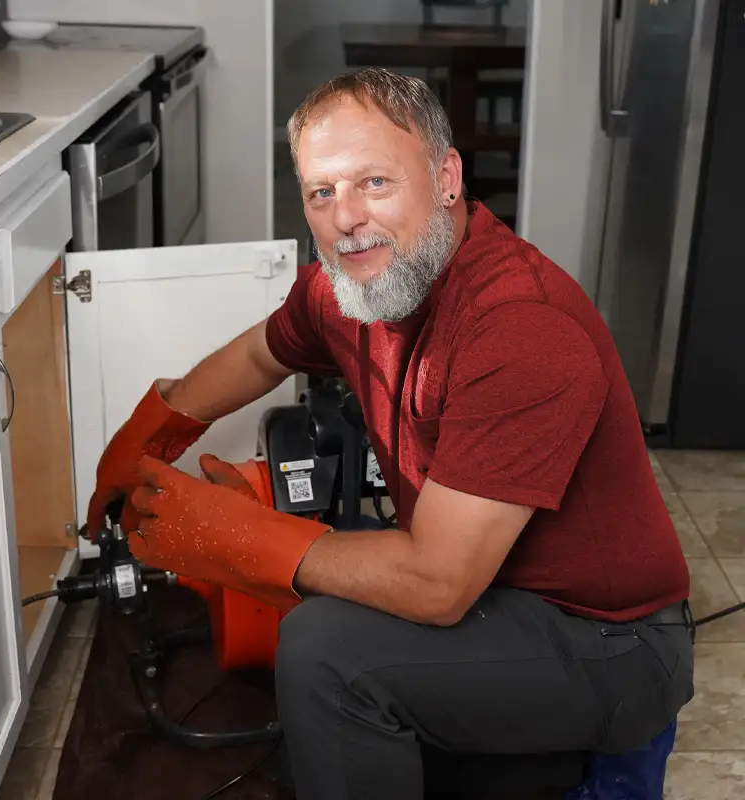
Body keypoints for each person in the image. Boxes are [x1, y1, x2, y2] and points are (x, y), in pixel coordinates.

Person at [85, 68, 695, 799]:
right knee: (337, 599)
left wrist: (241, 539)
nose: (345, 217)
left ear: (445, 177)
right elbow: (257, 355)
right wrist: (149, 434)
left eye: (374, 182)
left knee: (326, 650)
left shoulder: (520, 325)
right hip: (495, 594)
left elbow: (437, 584)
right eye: (321, 192)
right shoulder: (352, 284)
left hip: (611, 641)